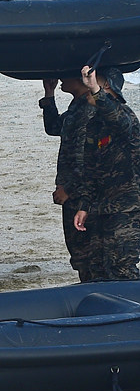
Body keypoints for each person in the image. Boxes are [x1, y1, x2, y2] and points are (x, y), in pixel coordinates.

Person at [73, 66, 140, 280]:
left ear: (106, 85)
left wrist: (95, 89)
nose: (86, 86)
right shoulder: (94, 126)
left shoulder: (123, 114)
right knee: (98, 267)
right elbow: (90, 171)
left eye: (93, 81)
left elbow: (120, 122)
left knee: (122, 268)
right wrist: (84, 206)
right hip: (101, 208)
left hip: (127, 208)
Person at [39, 74, 99, 281]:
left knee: (88, 255)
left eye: (66, 74)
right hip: (73, 193)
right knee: (79, 255)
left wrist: (69, 189)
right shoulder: (77, 107)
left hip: (83, 195)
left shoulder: (88, 111)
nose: (61, 78)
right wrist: (49, 95)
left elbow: (88, 161)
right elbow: (54, 127)